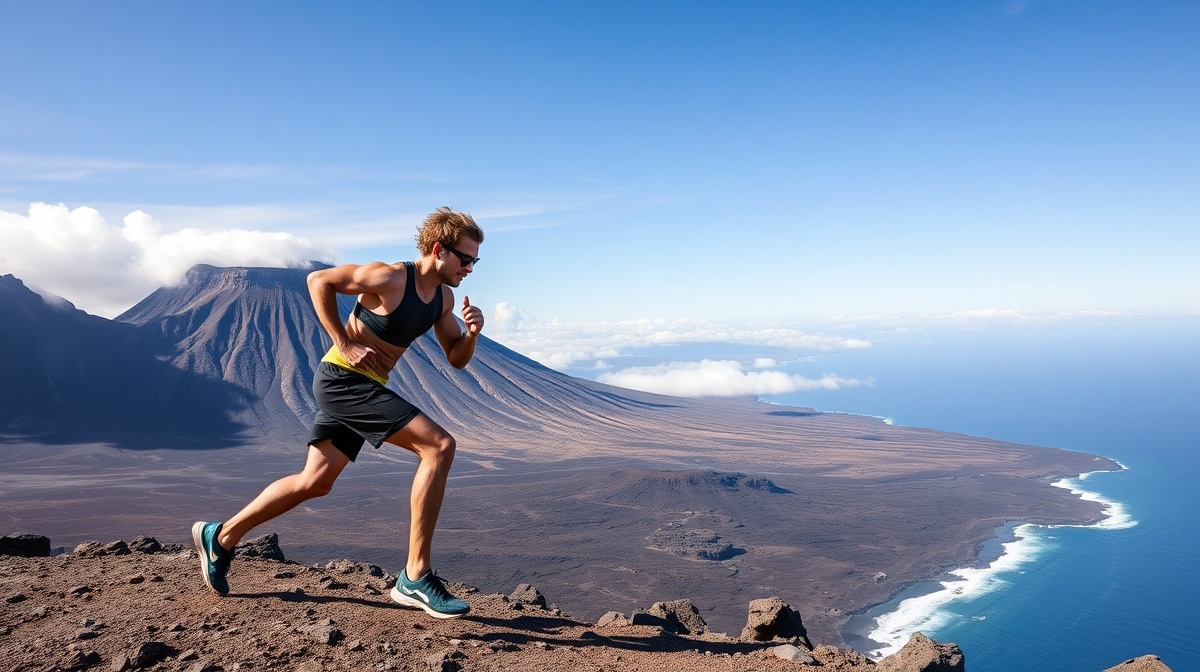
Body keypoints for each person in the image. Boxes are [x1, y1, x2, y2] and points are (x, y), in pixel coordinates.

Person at [191, 206, 485, 619]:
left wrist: (471, 334)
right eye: (465, 258)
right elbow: (319, 281)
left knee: (315, 481)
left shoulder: (443, 298)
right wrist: (342, 341)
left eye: (475, 260)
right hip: (342, 381)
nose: (470, 267)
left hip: (365, 386)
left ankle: (220, 536)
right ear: (439, 249)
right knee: (439, 446)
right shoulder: (390, 277)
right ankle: (415, 577)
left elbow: (456, 357)